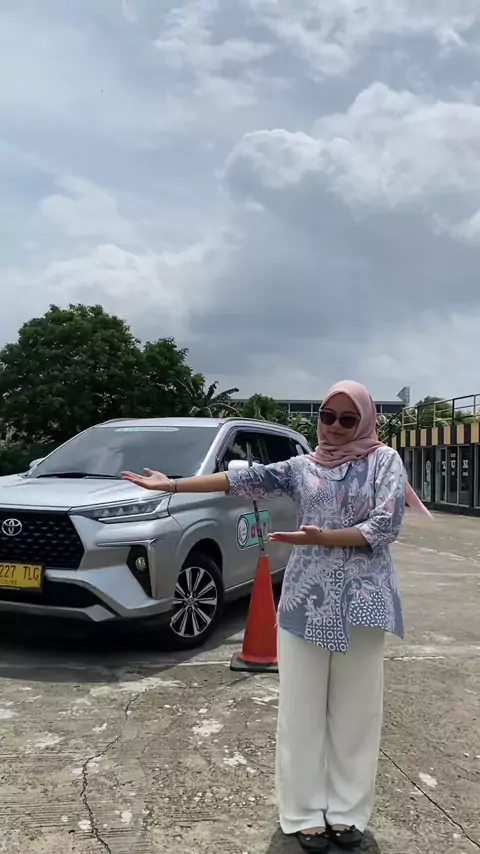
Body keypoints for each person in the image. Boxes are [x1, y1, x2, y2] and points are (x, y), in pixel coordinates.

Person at [122, 380, 431, 852]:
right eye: (328, 416)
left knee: (357, 715)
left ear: (366, 421)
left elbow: (385, 526)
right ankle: (303, 813)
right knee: (301, 714)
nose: (335, 426)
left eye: (348, 419)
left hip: (362, 603)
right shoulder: (301, 466)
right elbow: (241, 480)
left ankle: (347, 812)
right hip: (305, 602)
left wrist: (324, 539)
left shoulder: (383, 461)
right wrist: (174, 485)